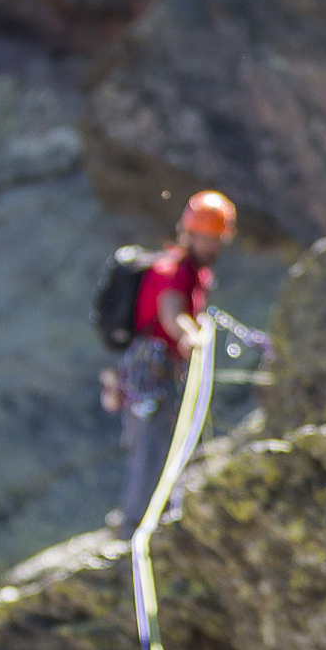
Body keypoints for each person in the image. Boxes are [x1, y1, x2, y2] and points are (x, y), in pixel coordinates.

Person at [101, 191, 235, 537]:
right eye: (208, 238)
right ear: (190, 234)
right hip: (150, 369)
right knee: (149, 444)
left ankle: (150, 516)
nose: (213, 246)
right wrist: (193, 335)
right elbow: (171, 313)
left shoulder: (191, 273)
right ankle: (133, 526)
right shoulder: (173, 270)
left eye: (216, 239)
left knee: (157, 439)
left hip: (151, 369)